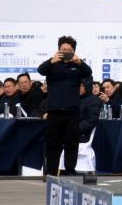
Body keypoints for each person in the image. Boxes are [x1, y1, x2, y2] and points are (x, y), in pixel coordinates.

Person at [37, 35, 92, 176]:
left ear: (73, 51)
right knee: (52, 144)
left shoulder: (78, 66)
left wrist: (80, 62)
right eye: (63, 49)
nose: (66, 51)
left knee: (71, 144)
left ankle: (70, 170)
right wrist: (51, 61)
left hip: (72, 111)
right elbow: (40, 70)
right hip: (54, 111)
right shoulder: (52, 65)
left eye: (69, 49)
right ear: (58, 50)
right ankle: (51, 172)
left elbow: (88, 73)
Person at [78, 78, 102, 142]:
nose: (78, 87)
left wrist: (73, 128)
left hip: (83, 135)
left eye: (81, 85)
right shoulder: (73, 99)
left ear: (87, 86)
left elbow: (92, 120)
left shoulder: (94, 100)